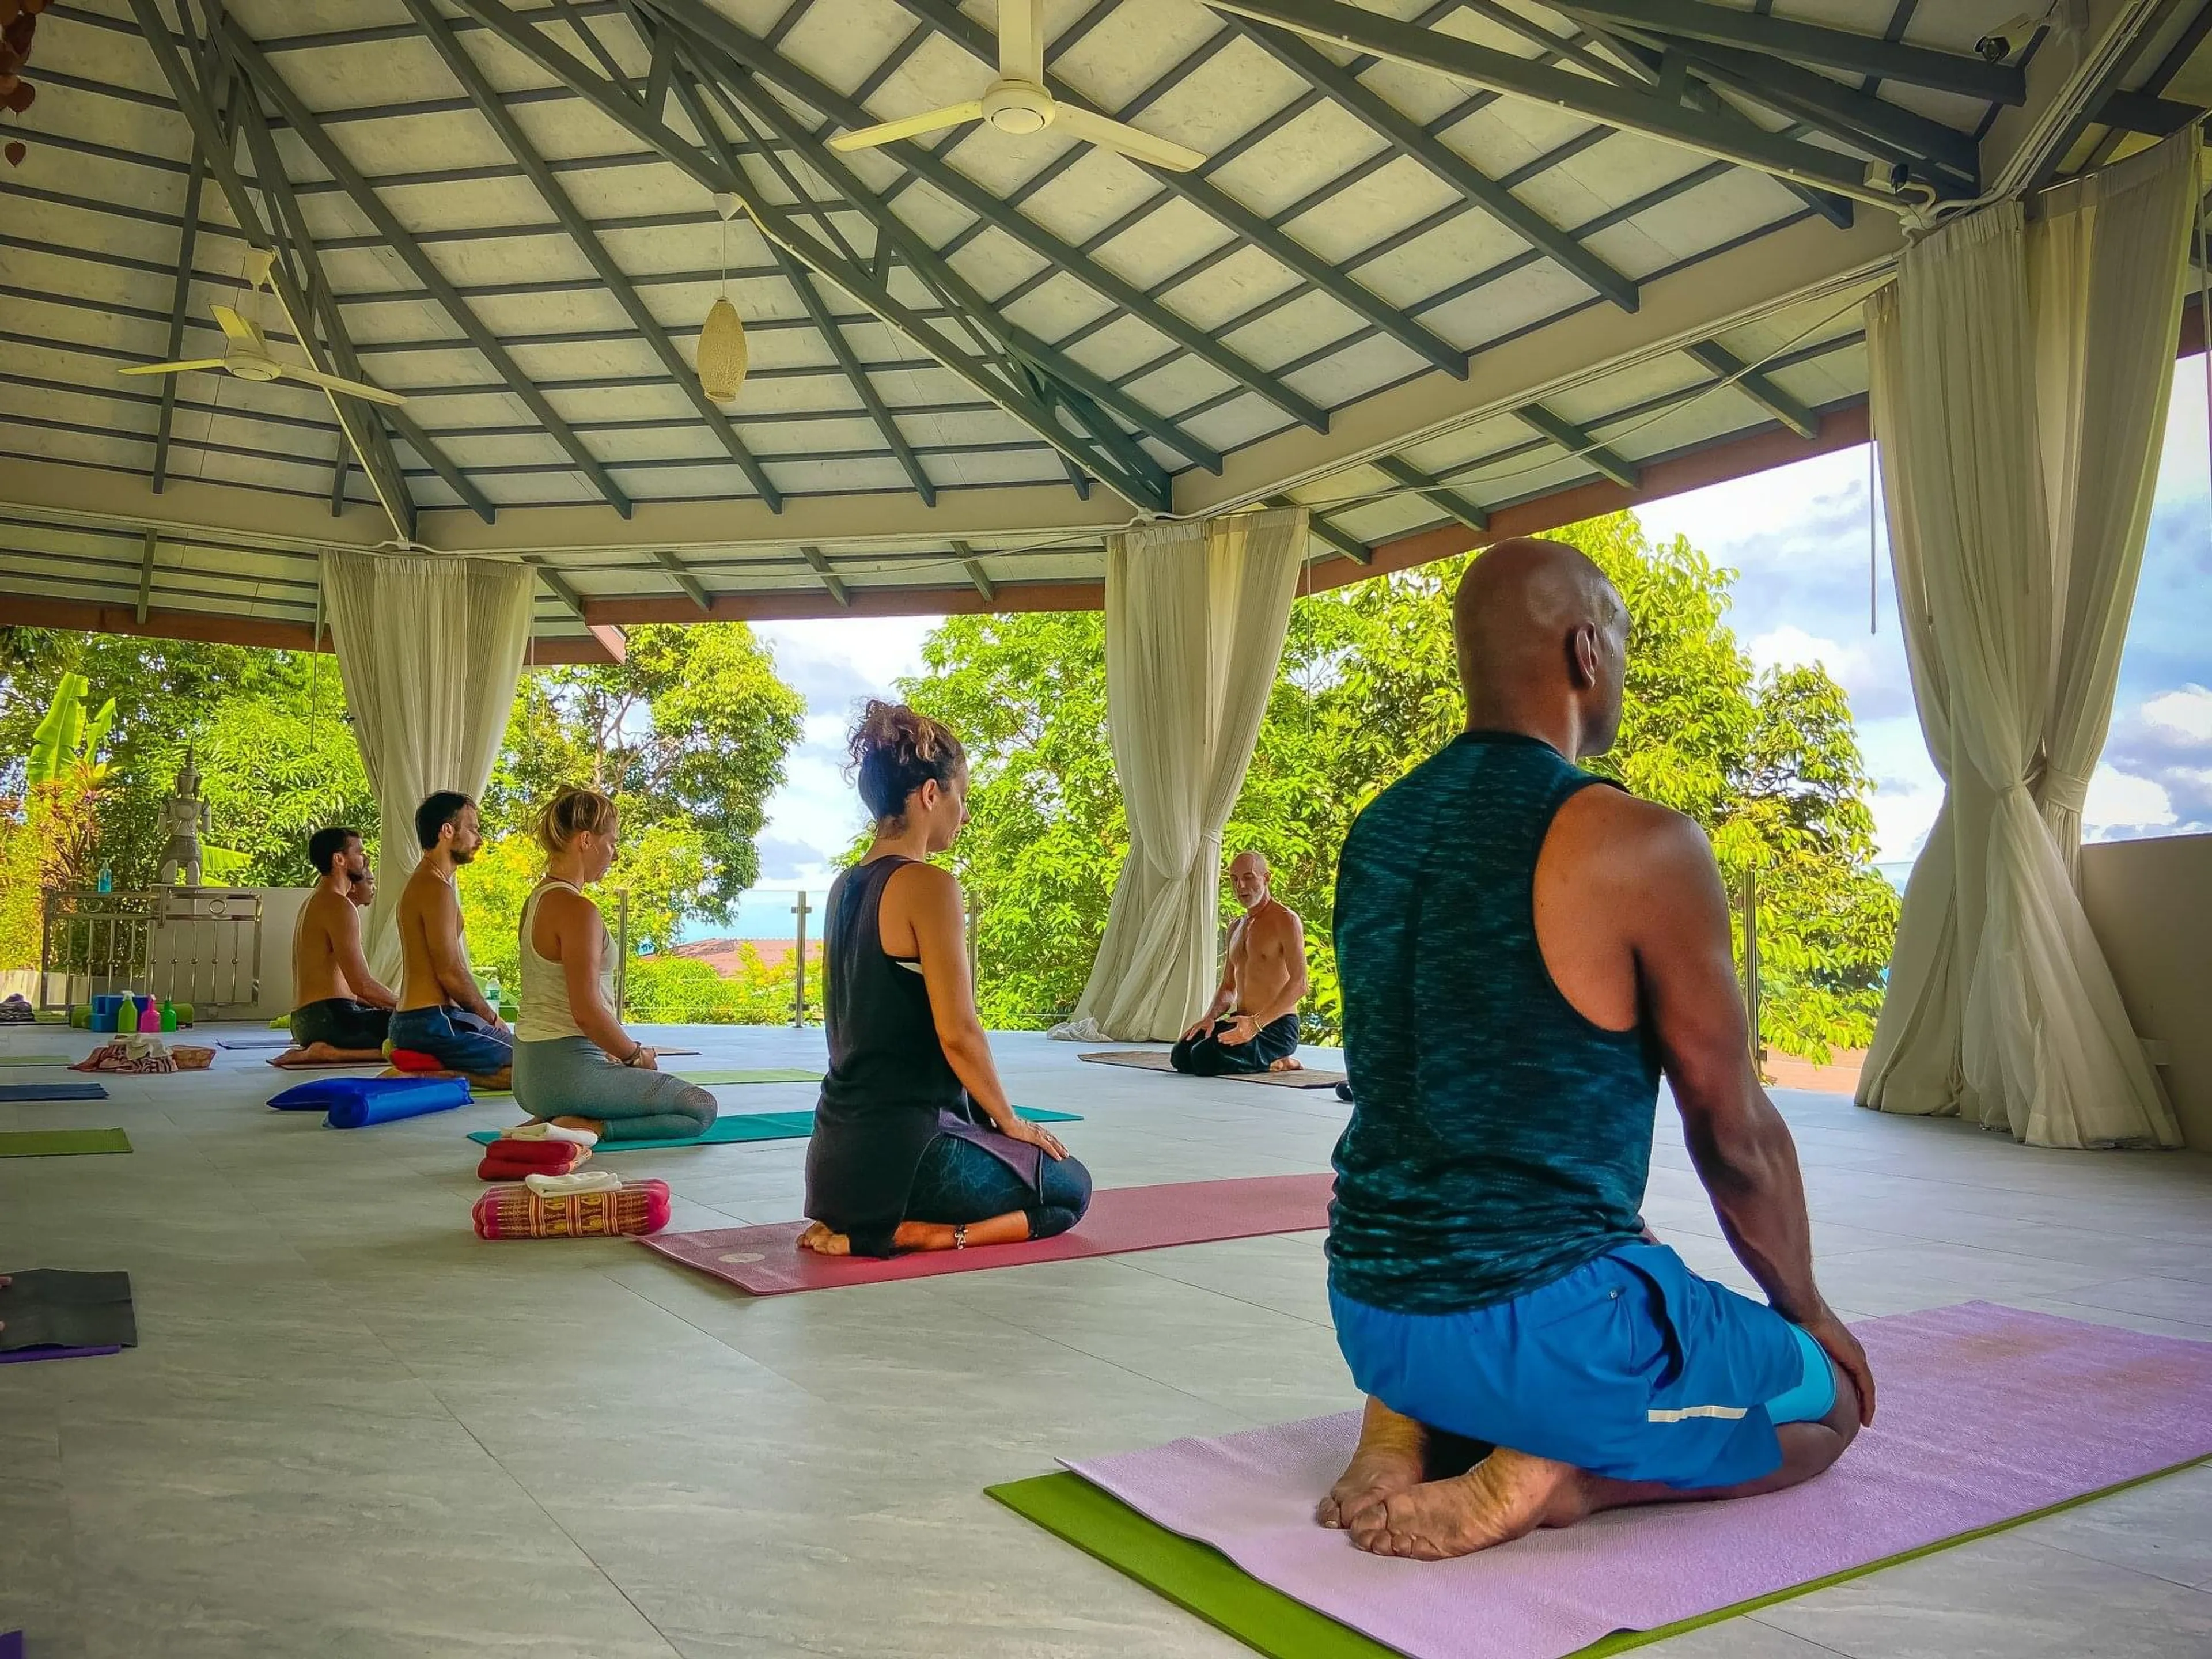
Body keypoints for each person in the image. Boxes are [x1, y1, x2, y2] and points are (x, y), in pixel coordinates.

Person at [1319, 538, 1874, 1562]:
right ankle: (1563, 1476)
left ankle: (1399, 1428)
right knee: (1828, 1407)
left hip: (1369, 1305)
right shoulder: (1638, 842)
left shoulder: (1378, 832)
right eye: (1619, 640)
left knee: (1568, 1252)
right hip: (1541, 1334)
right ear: (1585, 651)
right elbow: (1734, 1130)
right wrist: (1812, 1314)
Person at [799, 701, 1093, 1259]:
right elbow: (958, 1029)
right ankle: (922, 1233)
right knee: (1070, 1188)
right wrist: (1009, 1120)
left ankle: (872, 1220)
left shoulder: (845, 885)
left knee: (1016, 1159)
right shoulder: (928, 885)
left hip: (837, 1160)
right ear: (931, 794)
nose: (964, 814)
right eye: (962, 797)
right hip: (909, 1154)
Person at [509, 787, 716, 1144]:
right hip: (568, 1074)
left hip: (528, 1075)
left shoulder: (536, 902)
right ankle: (588, 1127)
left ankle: (562, 1118)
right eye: (611, 842)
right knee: (700, 1107)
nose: (615, 854)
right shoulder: (578, 911)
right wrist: (636, 1056)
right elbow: (586, 1012)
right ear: (586, 840)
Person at [388, 791, 513, 1087]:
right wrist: (491, 1018)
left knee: (529, 1059)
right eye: (473, 828)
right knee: (535, 1073)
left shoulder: (427, 882)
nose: (479, 839)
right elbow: (450, 971)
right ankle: (430, 1071)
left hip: (417, 1020)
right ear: (447, 831)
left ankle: (426, 1063)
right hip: (432, 1022)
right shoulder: (435, 888)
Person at [1172, 849, 1310, 1075]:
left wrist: (1255, 1025)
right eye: (1234, 879)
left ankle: (1281, 1061)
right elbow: (1228, 988)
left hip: (1275, 1026)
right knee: (1182, 1055)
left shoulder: (1286, 920)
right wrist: (1209, 1018)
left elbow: (1300, 984)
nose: (1241, 886)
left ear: (1266, 878)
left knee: (1204, 1058)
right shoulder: (1236, 927)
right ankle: (1259, 1054)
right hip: (1241, 1021)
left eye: (1248, 877)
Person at [279, 825, 395, 1066]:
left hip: (304, 1022)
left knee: (413, 1024)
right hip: (331, 1021)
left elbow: (347, 987)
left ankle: (326, 1050)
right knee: (425, 1031)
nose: (366, 859)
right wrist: (411, 1006)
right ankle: (331, 1053)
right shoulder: (338, 905)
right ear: (339, 859)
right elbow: (362, 985)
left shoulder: (314, 901)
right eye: (360, 852)